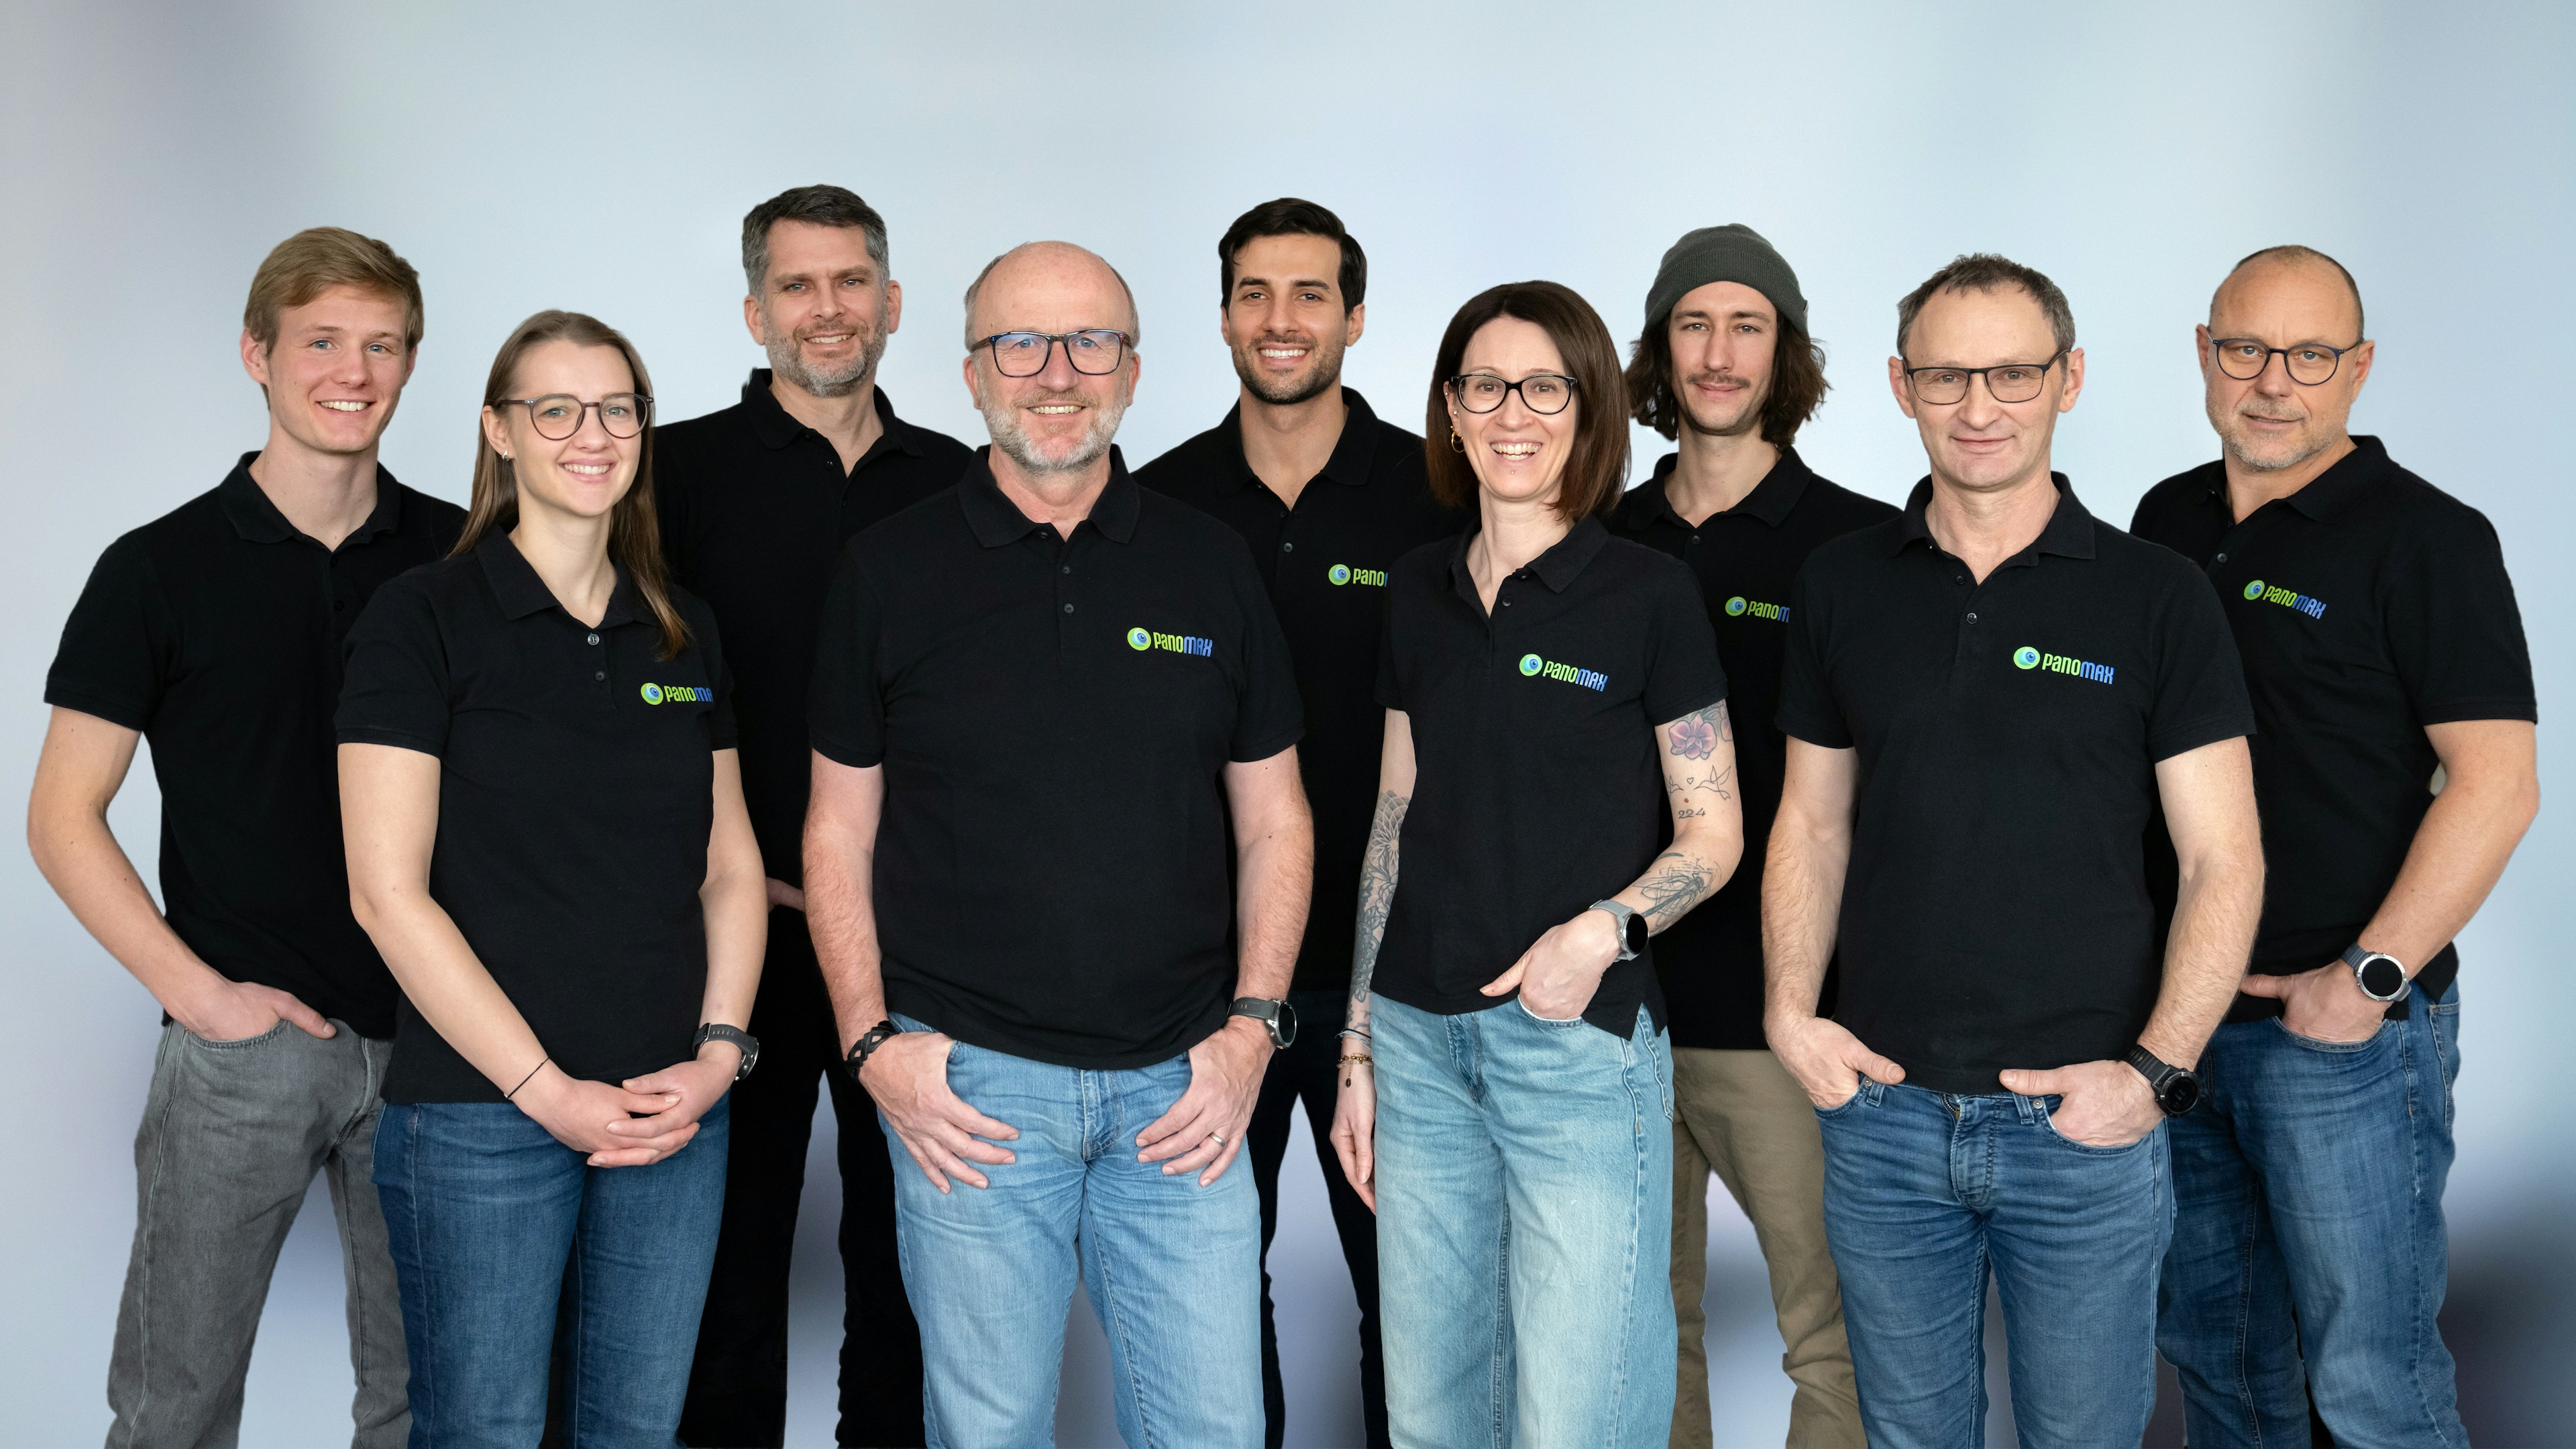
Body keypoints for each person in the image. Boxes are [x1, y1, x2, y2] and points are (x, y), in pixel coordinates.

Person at [802, 241, 1313, 1449]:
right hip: (971, 1094)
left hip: (1184, 1088)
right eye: (1020, 344)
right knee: (987, 1434)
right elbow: (837, 826)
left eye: (1091, 343)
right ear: (972, 373)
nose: (1057, 375)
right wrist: (872, 1044)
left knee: (1215, 1433)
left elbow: (1277, 817)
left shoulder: (1209, 561)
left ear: (1131, 370)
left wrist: (1252, 1032)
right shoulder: (889, 570)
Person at [1762, 254, 2267, 1448]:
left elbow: (2224, 858)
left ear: (2069, 380)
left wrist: (2154, 1075)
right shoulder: (1840, 584)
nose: (1978, 406)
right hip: (1883, 1117)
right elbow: (1812, 821)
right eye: (1946, 376)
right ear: (1901, 386)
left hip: (2084, 1128)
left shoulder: (2158, 596)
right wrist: (1789, 1012)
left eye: (2012, 374)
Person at [31, 227, 458, 1449]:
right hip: (242, 1053)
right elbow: (62, 816)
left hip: (440, 1043)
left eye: (382, 345)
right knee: (175, 1406)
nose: (353, 372)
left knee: (428, 1407)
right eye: (321, 341)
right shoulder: (155, 568)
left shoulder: (461, 557)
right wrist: (202, 999)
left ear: (411, 363)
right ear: (257, 355)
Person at [336, 311, 767, 1446]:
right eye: (557, 410)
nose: (594, 435)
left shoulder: (682, 631)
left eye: (618, 409)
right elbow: (386, 894)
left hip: (670, 1115)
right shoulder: (422, 617)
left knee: (636, 1431)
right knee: (483, 1430)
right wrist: (545, 1091)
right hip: (481, 1115)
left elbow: (730, 866)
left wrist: (718, 1056)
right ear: (500, 431)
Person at [2131, 246, 2538, 1448]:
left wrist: (2366, 981)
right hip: (2180, 1025)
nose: (2274, 383)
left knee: (2372, 1384)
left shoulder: (2430, 540)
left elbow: (2498, 785)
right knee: (2222, 1369)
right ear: (2205, 355)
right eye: (2247, 350)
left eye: (2310, 356)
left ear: (2358, 369)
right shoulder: (2165, 521)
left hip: (2341, 1041)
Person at [1329, 280, 1743, 1448]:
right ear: (1452, 411)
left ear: (1589, 406)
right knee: (1433, 1415)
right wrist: (1357, 1042)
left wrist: (1600, 934)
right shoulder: (1416, 588)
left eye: (1545, 388)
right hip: (1418, 1046)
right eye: (1485, 386)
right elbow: (1394, 818)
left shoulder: (1649, 594)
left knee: (1579, 1420)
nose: (1513, 414)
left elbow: (1713, 832)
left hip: (1577, 1046)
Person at [1134, 197, 1456, 1449]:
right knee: (1208, 1308)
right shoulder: (1155, 503)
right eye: (1255, 294)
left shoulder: (1437, 496)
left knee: (1415, 1307)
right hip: (1205, 989)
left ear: (1355, 318)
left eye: (1310, 293)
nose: (1281, 319)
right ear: (1222, 317)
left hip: (1400, 979)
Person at [654, 182, 971, 1449]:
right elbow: (627, 700)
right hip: (731, 942)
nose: (826, 308)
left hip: (923, 950)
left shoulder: (966, 482)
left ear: (891, 305)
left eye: (850, 283)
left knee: (911, 1270)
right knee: (724, 1276)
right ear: (755, 312)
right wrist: (724, 869)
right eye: (797, 285)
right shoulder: (667, 476)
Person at [1608, 224, 1888, 1449]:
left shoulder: (1859, 545)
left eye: (1748, 325)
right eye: (1693, 324)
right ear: (1659, 350)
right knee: (1637, 1336)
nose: (1718, 354)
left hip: (1790, 1015)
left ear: (1787, 353)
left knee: (1836, 1338)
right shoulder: (1597, 535)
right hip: (1615, 1012)